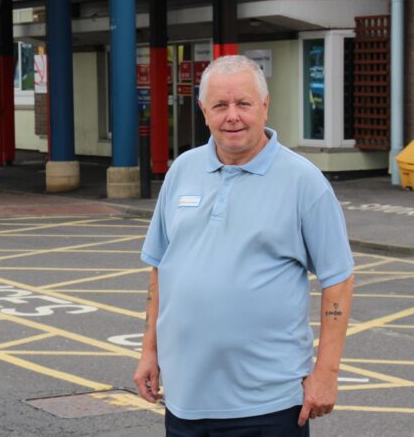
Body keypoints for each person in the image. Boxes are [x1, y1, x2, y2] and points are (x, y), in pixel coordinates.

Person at [134, 55, 355, 436]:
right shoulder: (182, 170)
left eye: (244, 104)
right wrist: (149, 351)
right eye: (220, 105)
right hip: (185, 400)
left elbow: (339, 279)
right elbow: (161, 268)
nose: (232, 116)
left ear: (265, 106)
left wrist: (327, 372)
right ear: (204, 111)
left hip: (269, 405)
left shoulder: (303, 181)